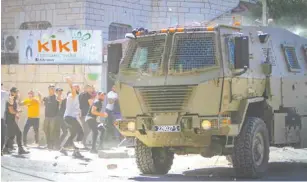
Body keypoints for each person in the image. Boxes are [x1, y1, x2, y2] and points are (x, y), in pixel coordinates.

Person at [59, 77, 84, 158]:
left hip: (69, 117)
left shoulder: (74, 96)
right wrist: (70, 83)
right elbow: (72, 89)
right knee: (81, 132)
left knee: (73, 134)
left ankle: (63, 148)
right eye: (77, 86)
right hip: (70, 118)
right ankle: (76, 151)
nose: (78, 88)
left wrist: (79, 111)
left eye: (78, 87)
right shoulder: (72, 94)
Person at [2, 87, 29, 155]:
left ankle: (6, 148)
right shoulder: (10, 99)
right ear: (12, 92)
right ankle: (20, 149)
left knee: (11, 135)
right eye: (16, 92)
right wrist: (18, 112)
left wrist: (16, 114)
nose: (17, 93)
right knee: (19, 133)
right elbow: (11, 111)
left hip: (10, 119)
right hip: (9, 120)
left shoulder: (13, 99)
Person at [43, 84, 59, 150]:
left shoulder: (56, 97)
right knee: (45, 129)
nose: (52, 89)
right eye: (50, 88)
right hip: (47, 116)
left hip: (53, 117)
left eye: (53, 88)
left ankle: (51, 145)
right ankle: (48, 143)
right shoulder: (46, 98)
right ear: (48, 89)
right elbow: (43, 105)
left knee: (52, 131)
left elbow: (60, 103)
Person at [1, 83, 9, 155]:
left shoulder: (4, 93)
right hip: (1, 118)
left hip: (2, 118)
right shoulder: (4, 93)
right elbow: (11, 101)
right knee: (2, 135)